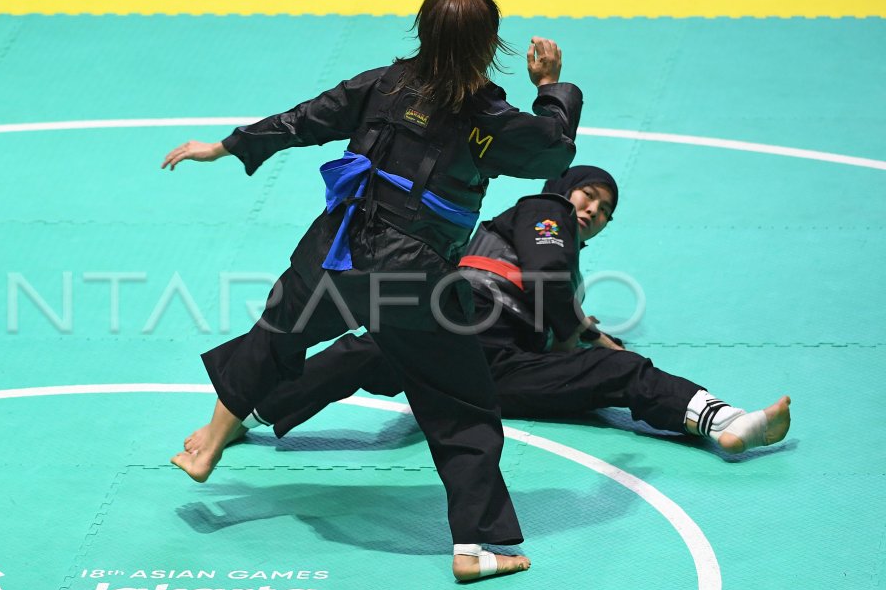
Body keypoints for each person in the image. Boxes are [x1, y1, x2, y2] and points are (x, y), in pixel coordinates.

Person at [161, 0, 583, 582]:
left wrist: (226, 147)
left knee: (276, 333)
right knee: (460, 406)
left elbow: (303, 119)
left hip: (334, 251)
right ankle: (478, 548)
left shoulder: (381, 84)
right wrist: (549, 89)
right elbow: (551, 154)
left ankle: (209, 441)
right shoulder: (487, 118)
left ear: (421, 30)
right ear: (491, 45)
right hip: (414, 276)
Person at [243, 165, 792, 458]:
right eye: (587, 198)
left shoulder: (568, 277)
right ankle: (248, 410)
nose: (592, 211)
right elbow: (549, 279)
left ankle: (725, 423)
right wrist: (581, 330)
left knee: (619, 369)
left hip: (496, 375)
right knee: (370, 347)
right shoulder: (540, 210)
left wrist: (589, 342)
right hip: (455, 325)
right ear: (563, 193)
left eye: (602, 213)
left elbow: (557, 296)